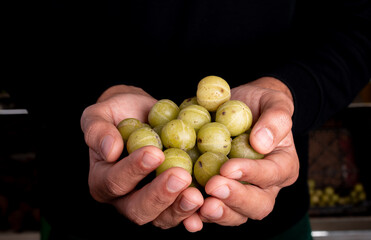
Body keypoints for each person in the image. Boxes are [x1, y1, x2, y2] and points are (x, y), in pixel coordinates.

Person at [5, 0, 370, 239]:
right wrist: (89, 97)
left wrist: (291, 91)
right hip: (84, 212)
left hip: (268, 213)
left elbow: (360, 21)